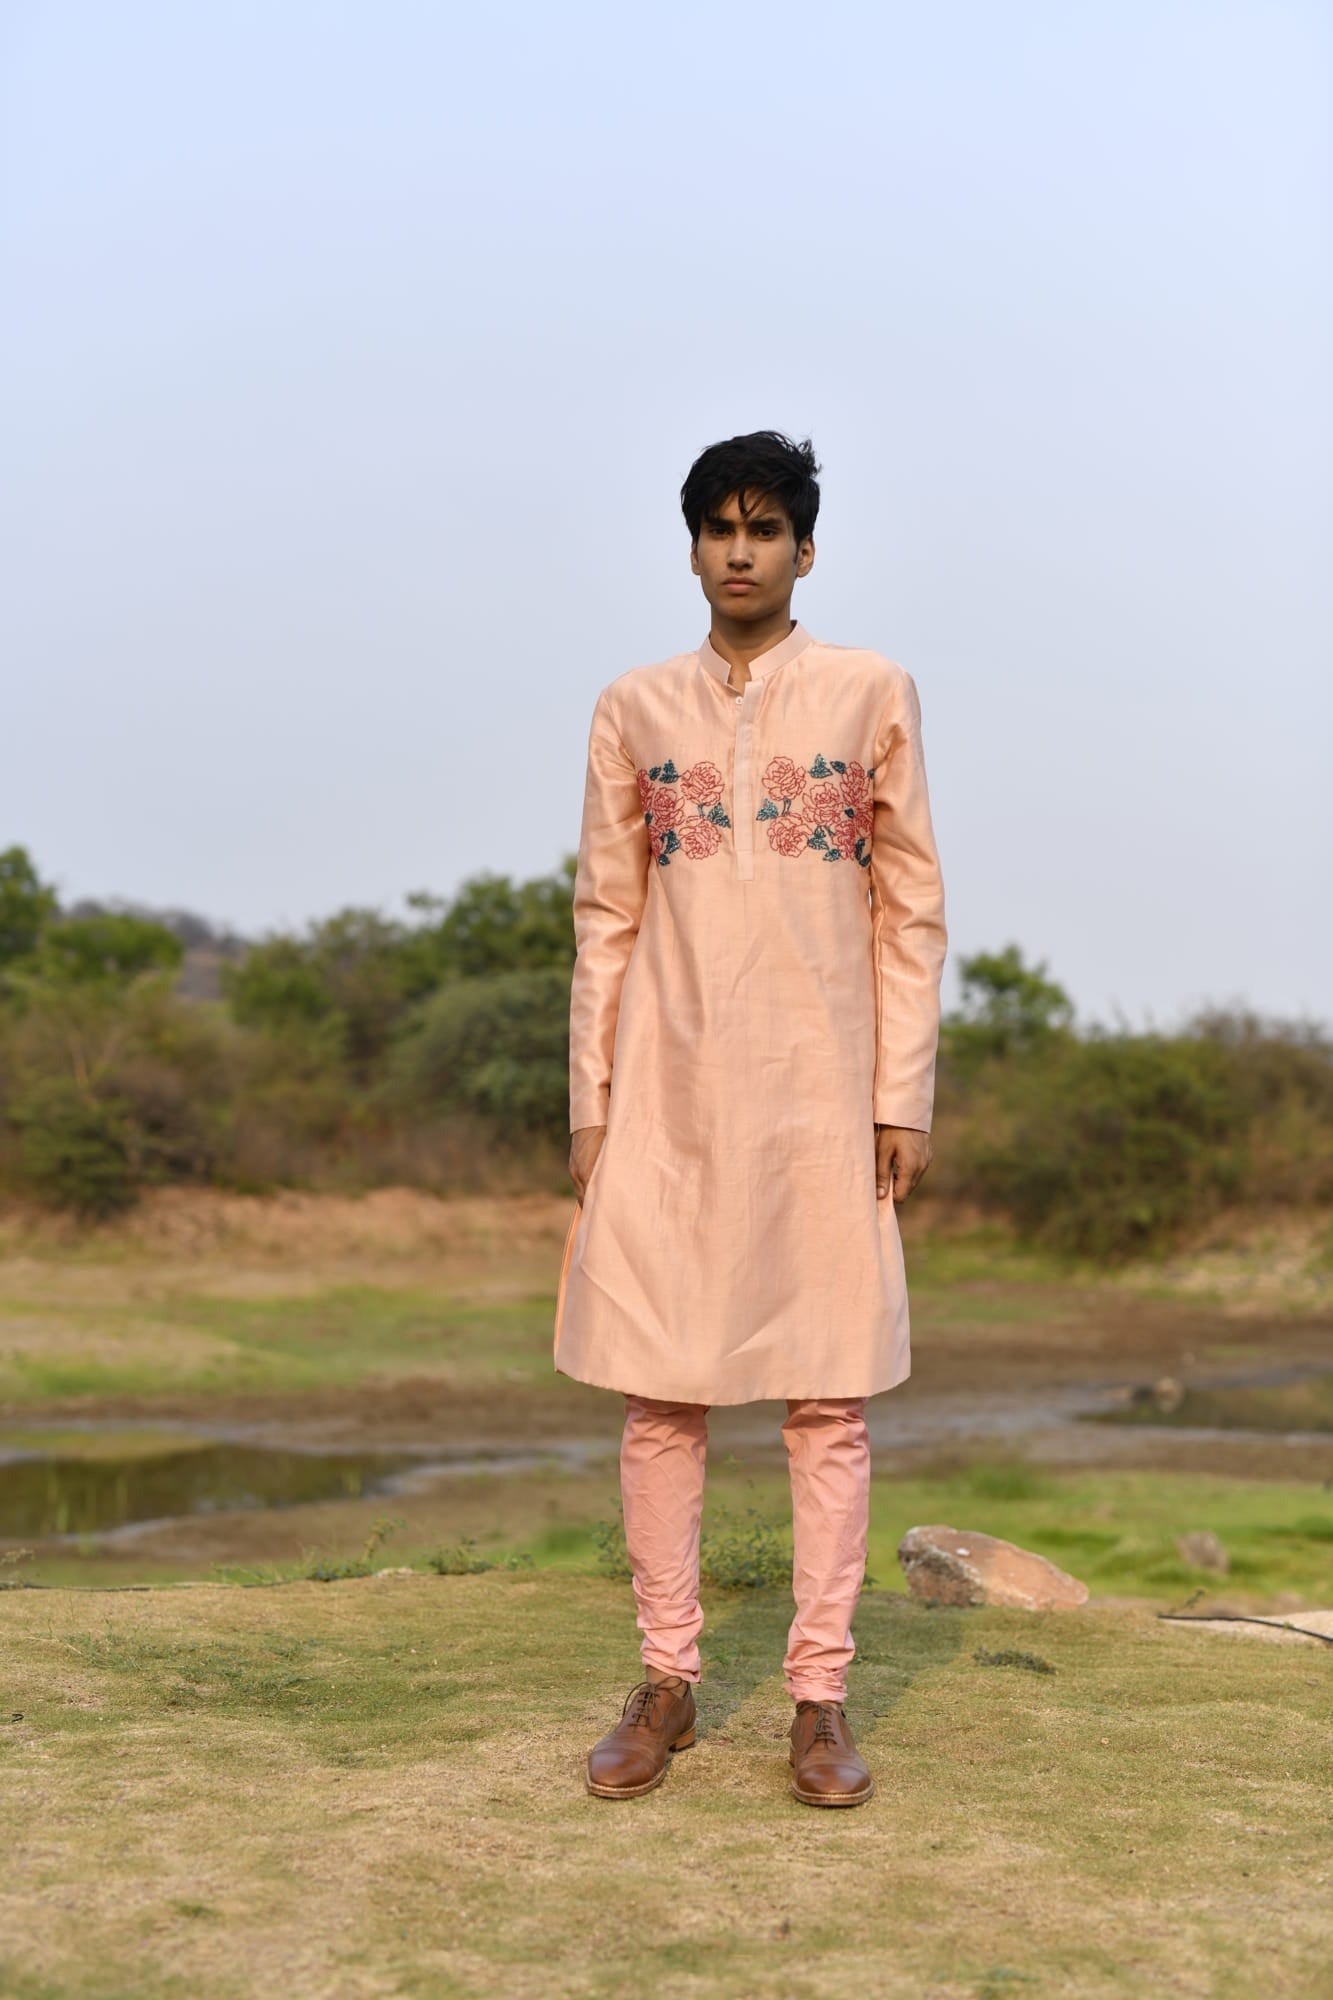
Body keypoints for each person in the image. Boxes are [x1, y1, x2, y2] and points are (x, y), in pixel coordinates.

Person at [552, 430, 947, 1806]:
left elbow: (910, 908)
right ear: (690, 546)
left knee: (823, 1398)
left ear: (804, 550)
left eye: (764, 528)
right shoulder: (633, 707)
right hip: (663, 1089)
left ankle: (817, 1698)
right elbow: (606, 914)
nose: (739, 549)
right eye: (718, 526)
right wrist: (589, 1100)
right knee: (660, 1390)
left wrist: (900, 1091)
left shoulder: (866, 692)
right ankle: (666, 1679)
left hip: (819, 1094)